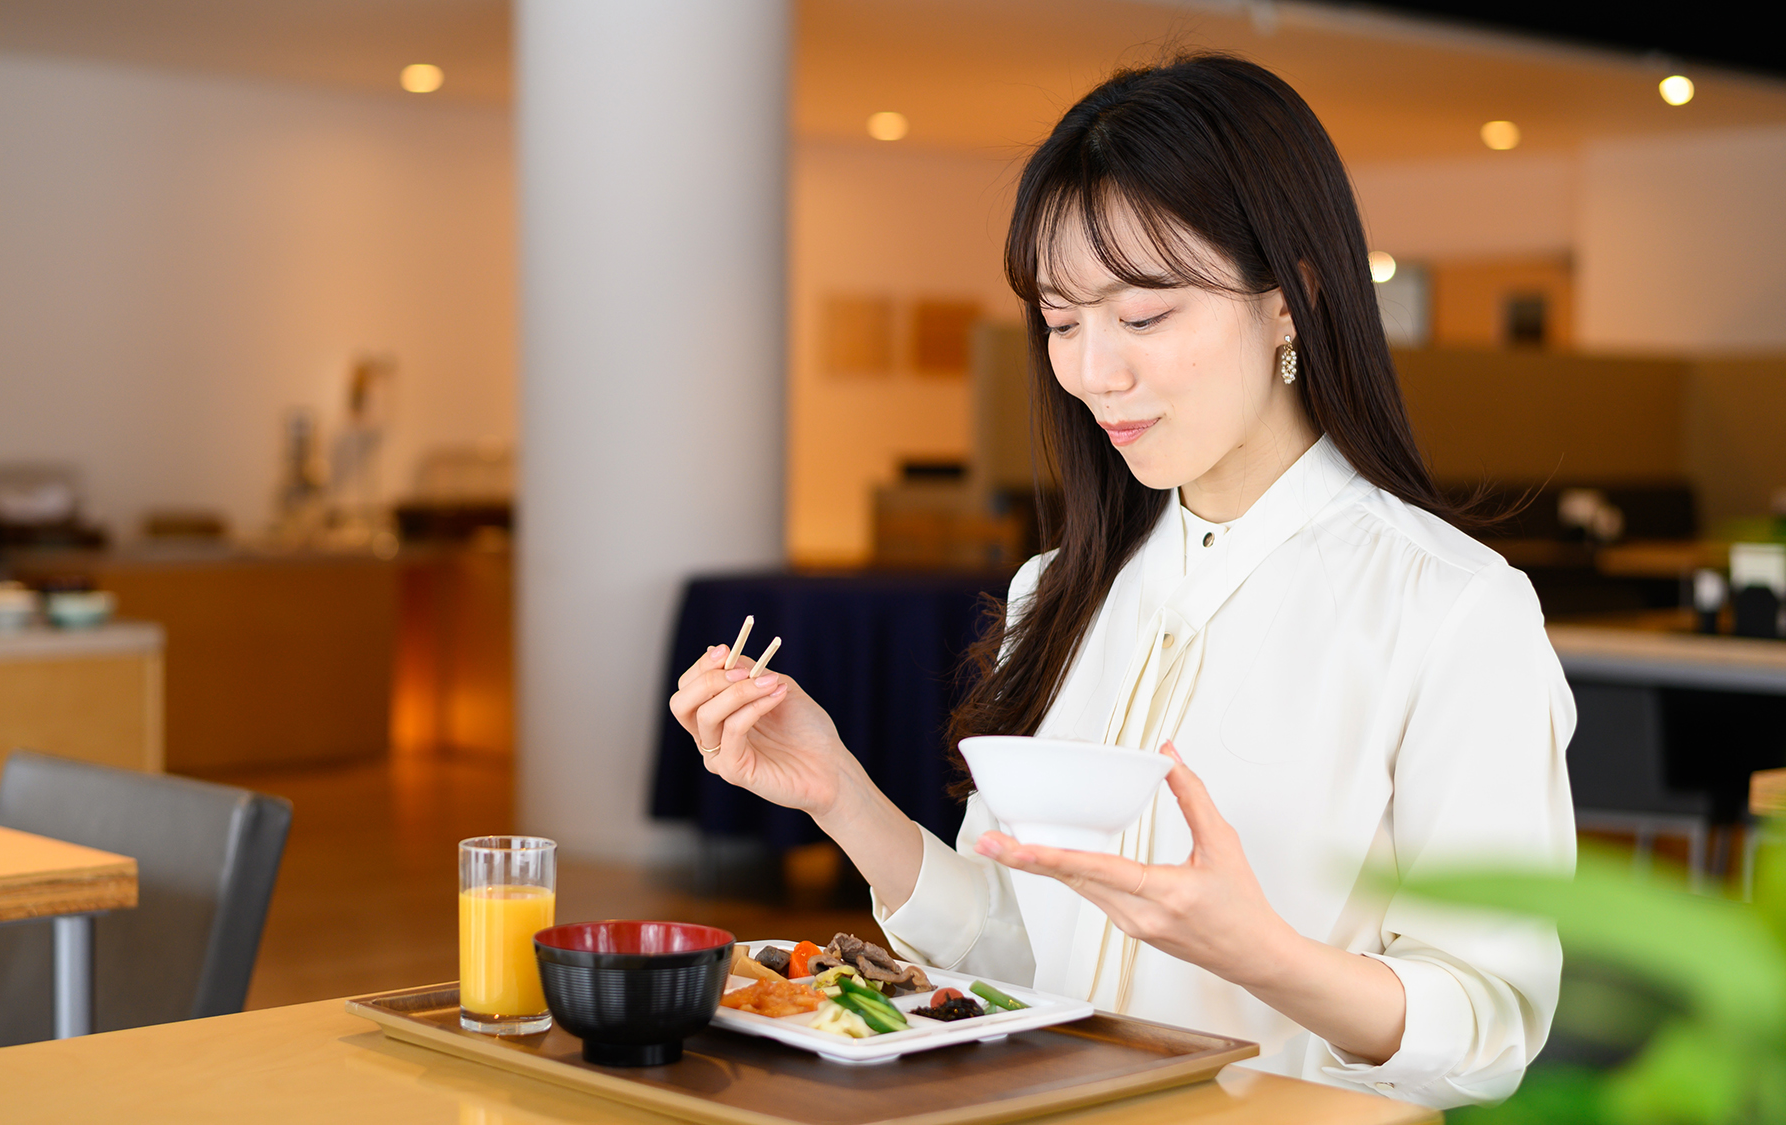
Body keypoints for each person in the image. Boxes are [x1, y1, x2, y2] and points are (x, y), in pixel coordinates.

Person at [669, 53, 1573, 1109]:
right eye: (1059, 322)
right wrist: (839, 794)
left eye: (1142, 317)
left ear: (1293, 299)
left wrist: (1260, 954)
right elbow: (1015, 945)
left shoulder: (1449, 607)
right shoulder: (1056, 590)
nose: (1093, 370)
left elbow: (1489, 1028)